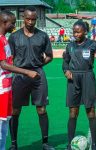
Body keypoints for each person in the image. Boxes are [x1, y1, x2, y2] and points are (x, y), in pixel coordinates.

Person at [8, 6, 54, 150]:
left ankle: (45, 143)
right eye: (28, 19)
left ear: (37, 19)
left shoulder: (43, 36)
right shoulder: (14, 37)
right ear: (24, 17)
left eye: (33, 19)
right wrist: (21, 71)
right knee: (15, 110)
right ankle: (14, 144)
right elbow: (10, 59)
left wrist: (39, 65)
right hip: (19, 77)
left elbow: (50, 56)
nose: (30, 22)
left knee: (41, 109)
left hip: (38, 77)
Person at [62, 20, 96, 150]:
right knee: (73, 112)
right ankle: (69, 144)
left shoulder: (92, 44)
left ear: (85, 31)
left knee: (91, 111)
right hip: (73, 80)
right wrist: (66, 70)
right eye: (74, 32)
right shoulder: (70, 46)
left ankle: (94, 144)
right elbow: (65, 62)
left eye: (78, 31)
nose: (75, 34)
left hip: (88, 77)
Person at [0, 10, 39, 150]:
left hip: (6, 89)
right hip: (1, 90)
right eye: (12, 23)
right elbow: (3, 64)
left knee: (4, 125)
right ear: (4, 23)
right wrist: (27, 72)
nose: (14, 26)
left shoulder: (4, 39)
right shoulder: (0, 39)